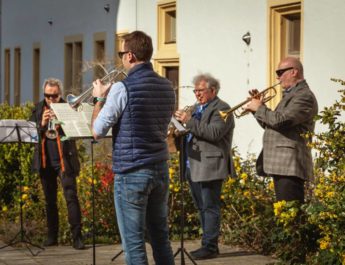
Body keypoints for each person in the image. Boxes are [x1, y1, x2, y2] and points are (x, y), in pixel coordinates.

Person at [91, 31, 175, 265]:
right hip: (159, 168)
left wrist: (99, 99)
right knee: (161, 239)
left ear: (129, 55)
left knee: (134, 244)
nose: (121, 59)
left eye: (121, 53)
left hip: (131, 172)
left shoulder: (121, 88)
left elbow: (97, 130)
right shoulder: (167, 86)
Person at [175, 73, 235, 260]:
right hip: (192, 164)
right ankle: (207, 245)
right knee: (201, 207)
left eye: (201, 91)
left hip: (210, 165)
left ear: (213, 90)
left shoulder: (222, 108)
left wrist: (189, 121)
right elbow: (190, 132)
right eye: (195, 91)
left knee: (210, 207)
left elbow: (214, 133)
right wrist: (177, 127)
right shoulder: (195, 108)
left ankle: (210, 247)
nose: (197, 94)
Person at [244, 57, 318, 203]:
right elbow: (271, 125)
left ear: (294, 72)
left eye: (280, 72)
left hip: (290, 165)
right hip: (282, 164)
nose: (277, 77)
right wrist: (257, 109)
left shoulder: (304, 95)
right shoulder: (291, 95)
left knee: (291, 217)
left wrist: (260, 108)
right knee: (285, 215)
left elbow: (281, 121)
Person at [30, 78, 84, 250]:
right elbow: (31, 134)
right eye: (47, 96)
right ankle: (52, 236)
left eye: (54, 96)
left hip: (64, 160)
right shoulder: (38, 108)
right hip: (45, 161)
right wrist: (43, 124)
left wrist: (61, 120)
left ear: (59, 94)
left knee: (71, 198)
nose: (50, 99)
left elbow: (77, 129)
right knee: (49, 201)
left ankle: (77, 238)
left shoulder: (68, 107)